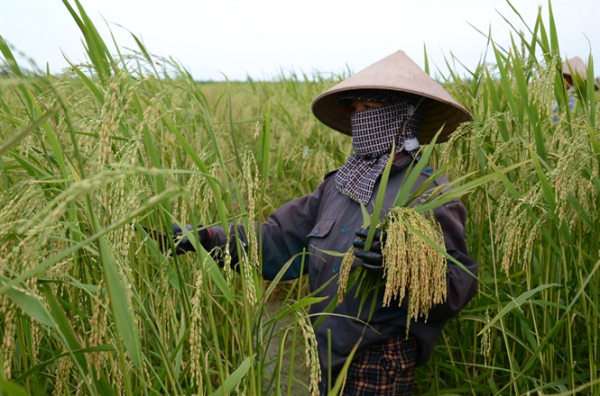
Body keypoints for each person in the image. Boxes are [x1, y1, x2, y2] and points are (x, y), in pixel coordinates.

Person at [152, 50, 478, 395]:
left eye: (370, 111)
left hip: (378, 361)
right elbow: (278, 240)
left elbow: (459, 283)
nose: (359, 120)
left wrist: (401, 266)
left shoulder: (427, 193)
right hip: (324, 355)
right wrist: (207, 238)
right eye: (355, 111)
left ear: (402, 118)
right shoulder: (339, 184)